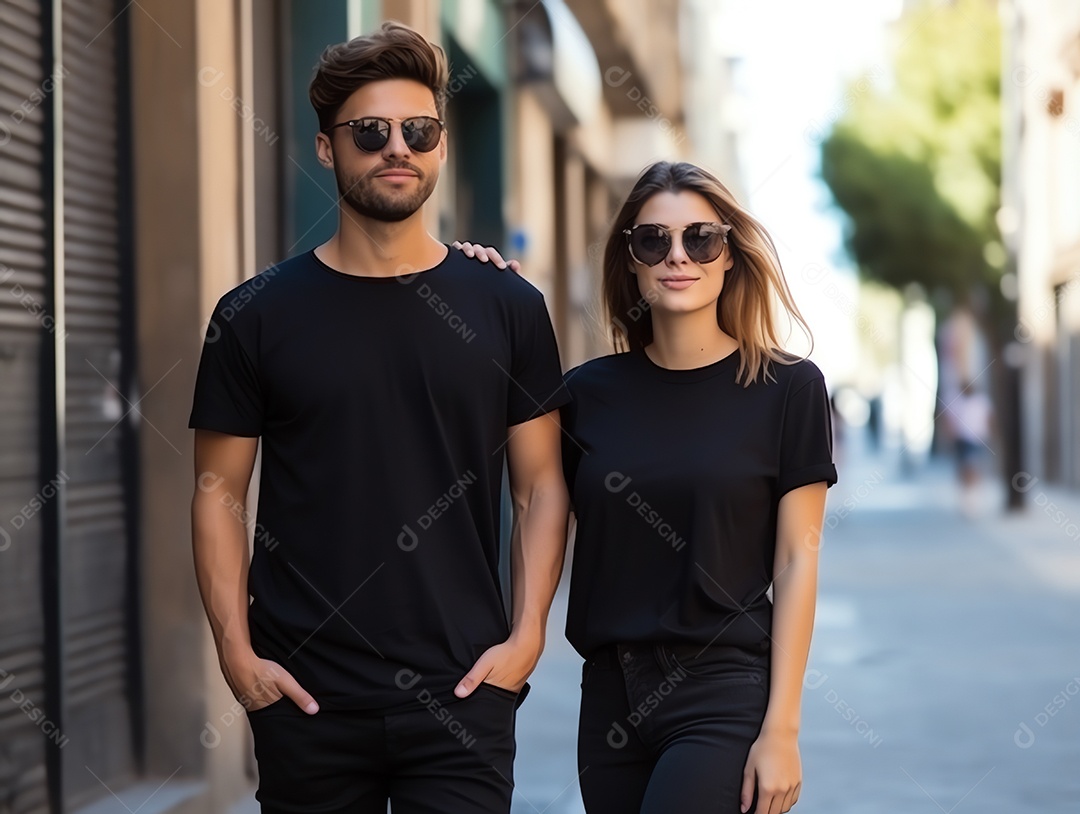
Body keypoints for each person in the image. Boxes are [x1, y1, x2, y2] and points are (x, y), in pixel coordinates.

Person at [188, 22, 570, 814]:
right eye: (370, 132)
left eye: (418, 131)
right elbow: (215, 492)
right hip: (305, 699)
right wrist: (236, 654)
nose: (396, 147)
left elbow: (540, 489)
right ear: (328, 149)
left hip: (463, 694)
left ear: (439, 146)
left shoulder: (507, 307)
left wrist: (527, 636)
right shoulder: (253, 316)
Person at [460, 160, 836, 813]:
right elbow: (531, 498)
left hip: (723, 689)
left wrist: (783, 728)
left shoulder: (789, 389)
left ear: (729, 257)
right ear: (630, 260)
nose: (677, 256)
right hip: (608, 696)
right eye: (652, 240)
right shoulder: (584, 395)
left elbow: (797, 560)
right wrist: (484, 297)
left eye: (701, 238)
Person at [946, 381, 994, 518]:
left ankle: (974, 497)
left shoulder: (981, 401)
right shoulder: (957, 401)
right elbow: (950, 420)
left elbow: (989, 418)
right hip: (963, 440)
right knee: (964, 468)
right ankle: (966, 497)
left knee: (974, 467)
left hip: (978, 439)